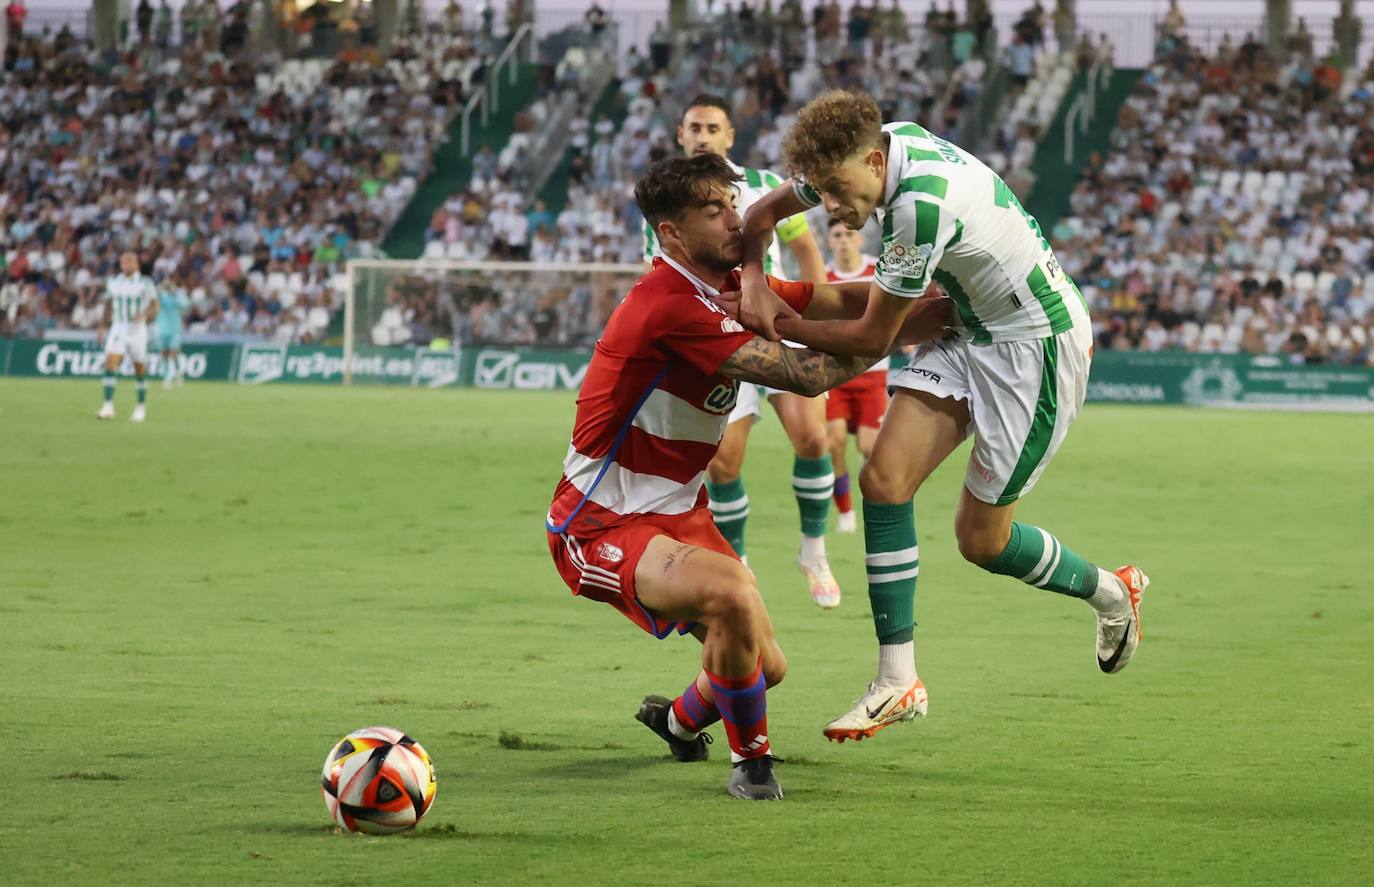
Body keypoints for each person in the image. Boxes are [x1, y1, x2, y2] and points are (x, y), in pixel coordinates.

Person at [733, 90, 1149, 742]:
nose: (836, 213)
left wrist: (778, 323)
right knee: (883, 480)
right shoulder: (871, 149)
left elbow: (873, 340)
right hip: (968, 322)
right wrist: (755, 279)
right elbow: (760, 213)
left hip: (1034, 349)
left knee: (981, 540)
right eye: (823, 195)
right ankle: (897, 679)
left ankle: (1111, 590)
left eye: (839, 192)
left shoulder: (919, 209)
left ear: (873, 161)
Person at [546, 153, 951, 798]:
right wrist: (899, 332)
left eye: (733, 204)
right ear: (672, 233)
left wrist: (927, 299)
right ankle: (751, 765)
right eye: (715, 210)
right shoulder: (669, 305)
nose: (737, 220)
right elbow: (804, 374)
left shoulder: (729, 284)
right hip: (599, 522)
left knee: (766, 668)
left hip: (678, 507)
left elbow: (837, 298)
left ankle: (678, 723)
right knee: (732, 594)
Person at [644, 94, 842, 609]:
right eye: (695, 127)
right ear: (681, 135)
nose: (704, 135)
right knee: (726, 465)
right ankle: (739, 562)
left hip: (774, 325)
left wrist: (811, 321)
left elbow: (805, 251)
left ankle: (813, 552)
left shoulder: (760, 187)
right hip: (718, 343)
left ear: (730, 136)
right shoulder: (665, 204)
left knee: (814, 438)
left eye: (714, 127)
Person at [820, 218, 882, 534]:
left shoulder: (878, 273)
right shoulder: (823, 279)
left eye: (848, 235)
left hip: (873, 374)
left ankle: (868, 491)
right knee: (835, 441)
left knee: (870, 448)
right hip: (837, 376)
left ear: (859, 240)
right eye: (837, 236)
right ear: (829, 242)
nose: (843, 240)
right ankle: (845, 511)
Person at [97, 252, 159, 422]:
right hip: (118, 327)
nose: (126, 265)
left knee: (139, 367)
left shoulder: (145, 282)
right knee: (111, 362)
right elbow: (108, 304)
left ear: (136, 264)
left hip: (137, 329)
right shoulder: (114, 282)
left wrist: (144, 315)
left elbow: (154, 305)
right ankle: (108, 406)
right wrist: (103, 325)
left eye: (130, 261)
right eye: (123, 262)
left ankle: (140, 406)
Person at [155, 272, 191, 388]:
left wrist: (174, 294)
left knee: (174, 353)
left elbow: (185, 305)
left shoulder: (178, 295)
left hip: (175, 329)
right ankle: (167, 375)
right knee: (165, 354)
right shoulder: (160, 295)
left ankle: (177, 374)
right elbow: (153, 301)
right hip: (162, 329)